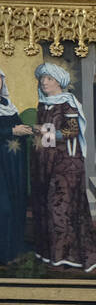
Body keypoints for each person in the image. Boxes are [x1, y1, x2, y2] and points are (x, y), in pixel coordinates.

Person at [30, 63, 96, 272]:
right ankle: (53, 255)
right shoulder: (43, 104)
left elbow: (70, 131)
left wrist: (42, 131)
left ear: (59, 82)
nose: (44, 82)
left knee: (60, 208)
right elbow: (45, 138)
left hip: (68, 163)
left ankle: (71, 256)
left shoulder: (68, 104)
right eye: (42, 79)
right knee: (47, 207)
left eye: (49, 79)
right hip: (48, 162)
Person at [0, 68, 31, 264]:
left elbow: (18, 125)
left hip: (14, 164)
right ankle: (4, 254)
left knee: (17, 202)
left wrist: (26, 130)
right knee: (4, 208)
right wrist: (13, 130)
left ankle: (15, 248)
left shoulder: (7, 104)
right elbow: (10, 129)